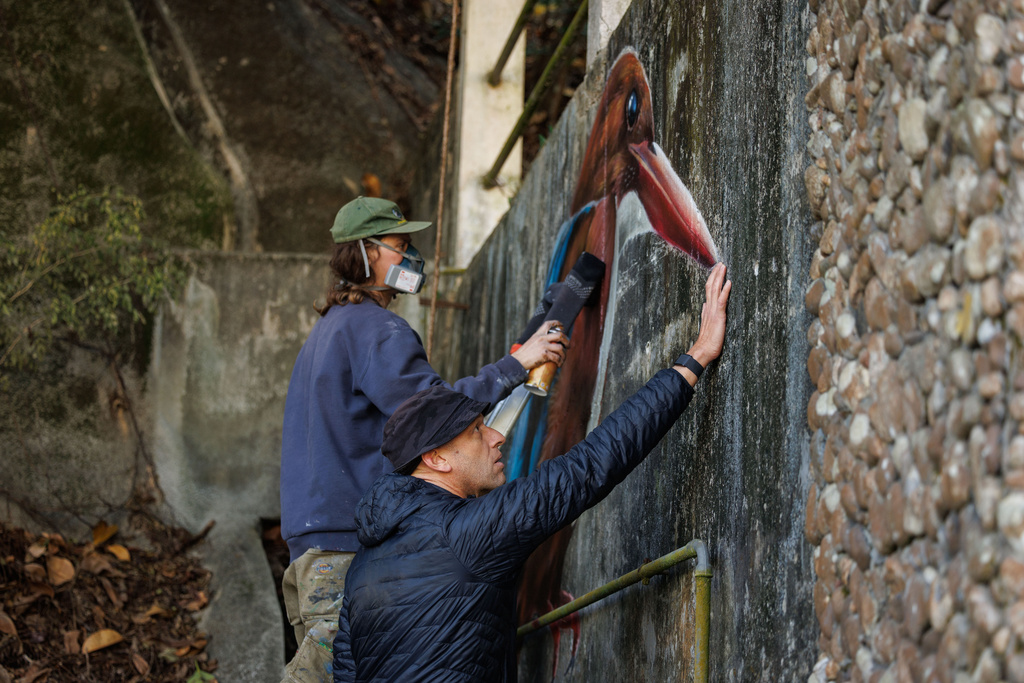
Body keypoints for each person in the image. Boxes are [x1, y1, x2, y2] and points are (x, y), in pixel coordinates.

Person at [332, 262, 732, 683]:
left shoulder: (360, 570)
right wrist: (695, 357)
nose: (496, 438)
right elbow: (590, 466)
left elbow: (345, 675)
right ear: (436, 459)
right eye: (475, 433)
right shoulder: (467, 534)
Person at [279, 196, 570, 683]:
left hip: (313, 547)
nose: (412, 258)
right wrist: (517, 366)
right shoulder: (379, 330)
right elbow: (432, 415)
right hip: (344, 551)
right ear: (367, 252)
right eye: (400, 246)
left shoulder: (330, 329)